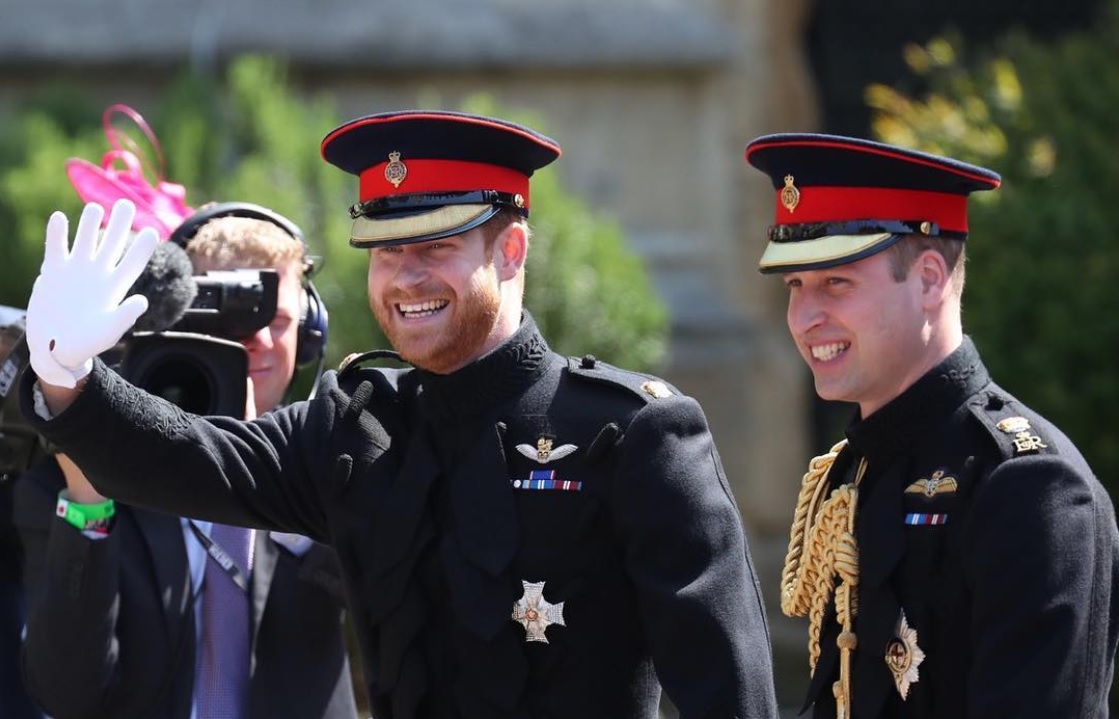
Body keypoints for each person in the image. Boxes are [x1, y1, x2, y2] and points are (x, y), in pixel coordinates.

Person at [17, 110, 779, 718]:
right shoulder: (356, 429)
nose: (404, 276)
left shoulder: (632, 433)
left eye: (436, 246)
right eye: (384, 250)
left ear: (510, 249)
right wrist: (66, 376)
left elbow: (726, 693)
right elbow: (187, 456)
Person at [745, 132, 1119, 717]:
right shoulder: (853, 470)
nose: (806, 318)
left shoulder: (1028, 484)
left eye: (836, 283)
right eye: (795, 286)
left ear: (927, 280)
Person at [13, 204, 358, 719]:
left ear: (310, 335)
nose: (256, 340)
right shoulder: (81, 477)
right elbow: (65, 695)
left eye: (276, 319)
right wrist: (88, 501)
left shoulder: (337, 458)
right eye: (228, 316)